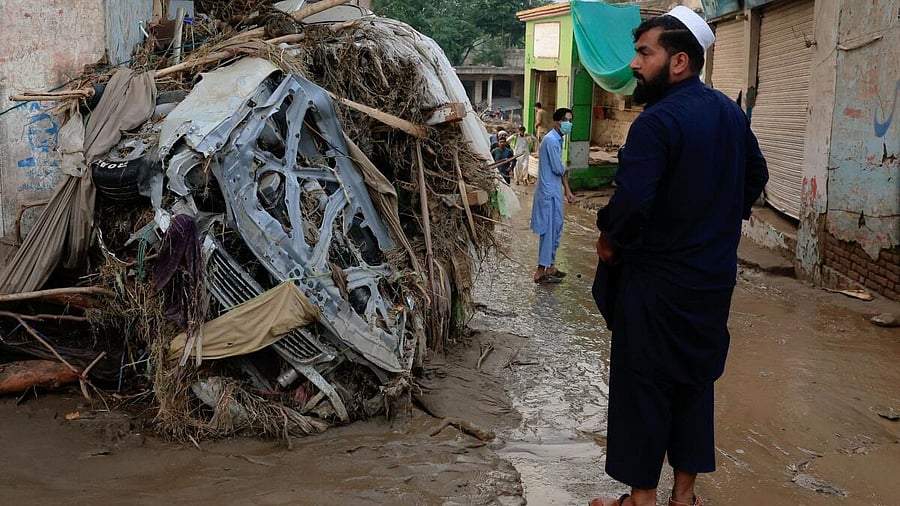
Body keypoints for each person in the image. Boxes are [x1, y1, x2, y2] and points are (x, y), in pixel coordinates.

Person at [589, 7, 768, 506]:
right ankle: (683, 497)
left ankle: (641, 499)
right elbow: (756, 176)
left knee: (642, 384)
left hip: (655, 283)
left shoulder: (657, 123)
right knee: (695, 382)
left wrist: (609, 244)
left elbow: (630, 206)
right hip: (712, 281)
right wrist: (712, 225)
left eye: (645, 53)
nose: (634, 64)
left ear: (680, 61)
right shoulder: (729, 113)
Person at [530, 108, 575, 284]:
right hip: (548, 193)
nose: (568, 124)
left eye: (570, 120)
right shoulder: (551, 141)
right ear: (557, 122)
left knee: (555, 228)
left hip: (553, 191)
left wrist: (568, 191)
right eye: (566, 120)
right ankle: (540, 271)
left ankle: (550, 267)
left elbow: (560, 171)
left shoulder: (556, 140)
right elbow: (559, 169)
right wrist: (566, 169)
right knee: (549, 231)